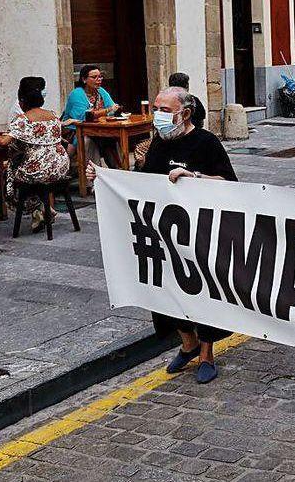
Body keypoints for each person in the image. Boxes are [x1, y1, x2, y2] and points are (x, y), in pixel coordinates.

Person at [88, 87, 237, 384]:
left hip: (198, 234)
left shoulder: (206, 143)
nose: (158, 115)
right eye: (156, 107)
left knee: (202, 292)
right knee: (162, 292)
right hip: (161, 233)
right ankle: (188, 344)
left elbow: (229, 183)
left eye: (165, 110)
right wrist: (103, 178)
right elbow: (141, 184)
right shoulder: (158, 142)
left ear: (185, 113)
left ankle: (206, 353)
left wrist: (195, 178)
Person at [0, 84, 70, 233]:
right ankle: (41, 210)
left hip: (40, 168)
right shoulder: (53, 116)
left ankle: (40, 209)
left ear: (22, 102)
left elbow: (4, 142)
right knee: (28, 175)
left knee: (11, 176)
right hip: (61, 165)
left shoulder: (23, 120)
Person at [61, 64, 122, 166]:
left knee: (111, 138)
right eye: (94, 77)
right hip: (77, 131)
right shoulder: (77, 94)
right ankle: (93, 176)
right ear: (84, 79)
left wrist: (111, 110)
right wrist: (107, 110)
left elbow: (112, 109)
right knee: (89, 140)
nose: (99, 79)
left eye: (100, 76)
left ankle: (118, 172)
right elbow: (84, 117)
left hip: (98, 129)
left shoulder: (101, 91)